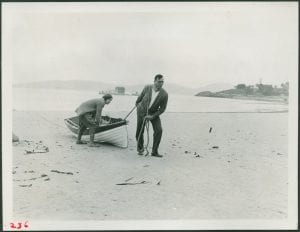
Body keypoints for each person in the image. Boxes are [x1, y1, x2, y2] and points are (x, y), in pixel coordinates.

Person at [135, 74, 168, 157]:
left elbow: (162, 109)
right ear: (154, 81)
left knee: (159, 130)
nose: (161, 83)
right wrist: (139, 108)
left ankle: (154, 151)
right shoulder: (147, 87)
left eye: (162, 82)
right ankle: (140, 149)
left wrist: (152, 116)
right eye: (159, 81)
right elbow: (139, 99)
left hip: (153, 113)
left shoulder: (164, 94)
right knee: (139, 131)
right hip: (141, 112)